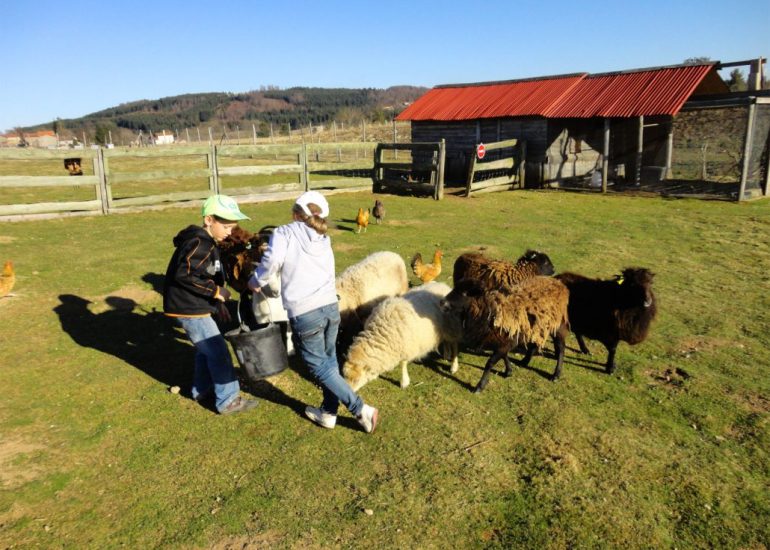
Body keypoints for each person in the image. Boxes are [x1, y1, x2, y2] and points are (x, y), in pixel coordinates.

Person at [248, 191, 379, 433]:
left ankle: (362, 410)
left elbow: (271, 263)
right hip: (330, 307)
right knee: (328, 361)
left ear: (297, 213)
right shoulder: (323, 237)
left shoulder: (284, 233)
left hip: (305, 311)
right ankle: (328, 413)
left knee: (317, 365)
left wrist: (255, 281)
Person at [163, 194, 258, 415]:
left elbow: (204, 275)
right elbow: (184, 274)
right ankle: (228, 400)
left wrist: (216, 301)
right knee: (218, 352)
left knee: (205, 351)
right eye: (225, 226)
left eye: (232, 226)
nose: (229, 231)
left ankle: (201, 389)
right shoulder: (199, 243)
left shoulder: (207, 243)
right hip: (189, 308)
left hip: (195, 305)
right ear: (208, 220)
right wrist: (216, 291)